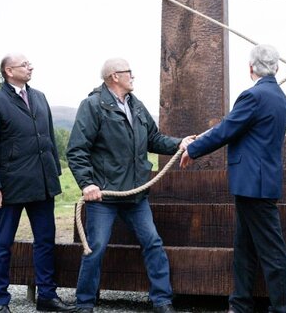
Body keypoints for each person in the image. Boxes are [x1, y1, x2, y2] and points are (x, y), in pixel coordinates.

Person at [66, 58, 192, 313]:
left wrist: (180, 142)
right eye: (129, 72)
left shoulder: (136, 105)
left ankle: (162, 300)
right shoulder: (92, 106)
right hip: (104, 196)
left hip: (136, 195)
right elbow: (77, 150)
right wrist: (87, 183)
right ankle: (85, 303)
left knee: (153, 242)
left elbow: (154, 139)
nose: (133, 76)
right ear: (114, 76)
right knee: (96, 247)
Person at [181, 44, 286, 313]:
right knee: (244, 247)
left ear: (250, 68)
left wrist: (193, 149)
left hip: (254, 185)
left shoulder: (253, 96)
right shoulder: (281, 97)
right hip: (259, 184)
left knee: (272, 251)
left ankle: (281, 309)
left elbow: (227, 129)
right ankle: (240, 304)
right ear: (276, 68)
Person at [0, 54, 73, 313]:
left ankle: (47, 296)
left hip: (42, 184)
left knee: (45, 240)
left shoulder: (39, 97)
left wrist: (54, 171)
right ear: (9, 71)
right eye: (25, 65)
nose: (31, 67)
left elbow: (49, 137)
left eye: (30, 64)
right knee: (3, 243)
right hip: (10, 186)